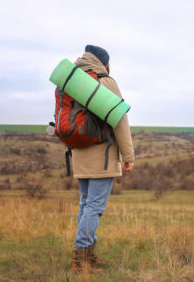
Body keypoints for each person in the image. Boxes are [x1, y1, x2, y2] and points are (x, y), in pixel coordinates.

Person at [70, 45, 135, 272]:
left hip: (79, 152)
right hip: (102, 155)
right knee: (94, 207)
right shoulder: (105, 82)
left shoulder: (73, 80)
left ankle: (87, 256)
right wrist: (128, 155)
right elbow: (119, 120)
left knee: (86, 204)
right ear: (104, 62)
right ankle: (81, 259)